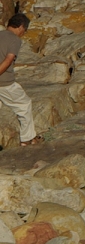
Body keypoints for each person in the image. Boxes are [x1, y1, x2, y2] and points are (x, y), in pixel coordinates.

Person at [0, 11, 38, 146]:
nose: (24, 33)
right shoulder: (14, 39)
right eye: (25, 30)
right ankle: (27, 139)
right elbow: (8, 59)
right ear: (21, 26)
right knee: (24, 104)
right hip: (4, 82)